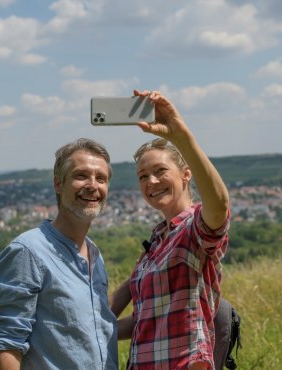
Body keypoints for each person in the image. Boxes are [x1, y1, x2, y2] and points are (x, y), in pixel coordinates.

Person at [114, 90, 230, 369]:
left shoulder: (194, 228)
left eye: (160, 171)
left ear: (186, 173)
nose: (151, 181)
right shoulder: (157, 238)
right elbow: (148, 316)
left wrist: (180, 135)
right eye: (143, 176)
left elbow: (220, 204)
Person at [0, 138, 118, 370]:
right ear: (58, 185)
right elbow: (8, 345)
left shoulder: (95, 255)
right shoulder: (28, 251)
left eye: (101, 178)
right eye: (81, 176)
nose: (92, 185)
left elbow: (93, 327)